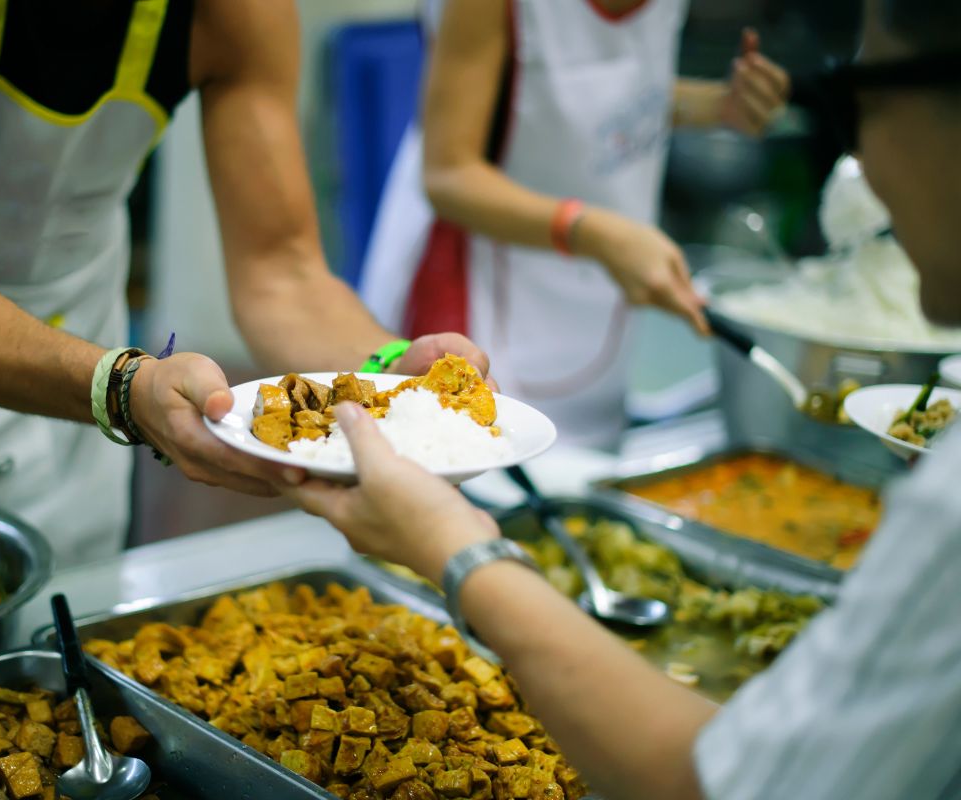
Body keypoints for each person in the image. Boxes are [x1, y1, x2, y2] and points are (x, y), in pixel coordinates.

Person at [285, 1, 961, 795]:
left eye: (859, 101)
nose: (862, 159)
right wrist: (596, 230)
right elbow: (448, 169)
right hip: (485, 309)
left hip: (589, 322)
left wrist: (455, 548)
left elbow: (721, 781)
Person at [0, 0, 485, 565]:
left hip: (83, 378)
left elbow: (281, 271)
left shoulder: (234, 13)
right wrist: (121, 388)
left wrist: (389, 375)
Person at [360, 0, 790, 447]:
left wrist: (716, 105)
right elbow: (448, 175)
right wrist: (597, 234)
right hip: (479, 290)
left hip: (595, 302)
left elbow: (601, 95)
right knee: (477, 447)